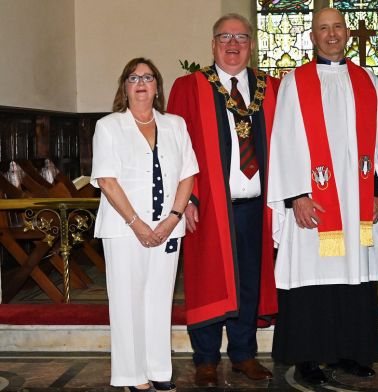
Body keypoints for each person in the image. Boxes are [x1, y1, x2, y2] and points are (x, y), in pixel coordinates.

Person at [266, 7, 378, 386]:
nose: (332, 34)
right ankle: (308, 356)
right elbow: (283, 140)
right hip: (313, 202)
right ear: (313, 36)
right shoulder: (295, 81)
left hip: (357, 201)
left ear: (347, 33)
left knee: (355, 276)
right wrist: (297, 195)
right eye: (324, 28)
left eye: (337, 27)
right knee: (312, 277)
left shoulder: (367, 79)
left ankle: (351, 352)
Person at [167, 13, 279, 386]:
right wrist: (189, 200)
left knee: (249, 280)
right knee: (207, 280)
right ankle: (206, 358)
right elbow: (176, 151)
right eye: (225, 37)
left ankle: (245, 355)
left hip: (255, 206)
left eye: (241, 38)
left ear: (251, 44)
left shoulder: (271, 88)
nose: (233, 45)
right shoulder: (190, 86)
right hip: (209, 205)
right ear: (213, 44)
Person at [91, 57, 198, 392]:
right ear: (125, 87)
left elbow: (188, 175)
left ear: (157, 87)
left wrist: (173, 218)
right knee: (127, 301)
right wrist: (137, 223)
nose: (140, 83)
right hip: (124, 230)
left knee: (159, 298)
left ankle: (158, 368)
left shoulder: (175, 125)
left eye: (148, 77)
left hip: (167, 228)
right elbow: (107, 181)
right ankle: (131, 374)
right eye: (133, 77)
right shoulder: (108, 126)